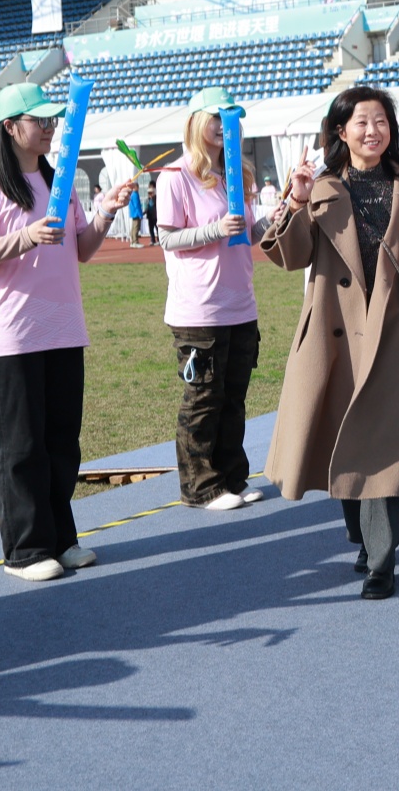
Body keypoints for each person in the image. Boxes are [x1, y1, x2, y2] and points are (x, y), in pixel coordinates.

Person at [0, 83, 134, 583]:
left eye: (53, 119)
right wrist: (25, 237)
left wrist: (105, 211)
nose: (51, 127)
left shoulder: (60, 182)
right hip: (12, 336)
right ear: (10, 127)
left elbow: (80, 249)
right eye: (40, 120)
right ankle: (26, 549)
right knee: (22, 447)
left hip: (64, 330)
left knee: (61, 444)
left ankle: (60, 539)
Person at [261, 86, 399, 600]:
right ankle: (364, 538)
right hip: (333, 333)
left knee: (383, 446)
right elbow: (289, 256)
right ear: (341, 131)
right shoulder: (321, 188)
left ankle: (382, 560)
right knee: (344, 436)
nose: (372, 131)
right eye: (361, 122)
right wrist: (296, 201)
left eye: (381, 121)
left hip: (389, 330)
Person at [155, 87, 273, 511]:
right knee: (203, 399)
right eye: (217, 118)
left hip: (240, 303)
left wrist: (279, 214)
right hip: (198, 309)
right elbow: (167, 238)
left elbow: (249, 234)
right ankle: (200, 486)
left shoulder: (236, 174)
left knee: (233, 397)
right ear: (195, 123)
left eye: (231, 118)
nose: (225, 126)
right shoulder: (174, 176)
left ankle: (231, 477)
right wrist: (214, 230)